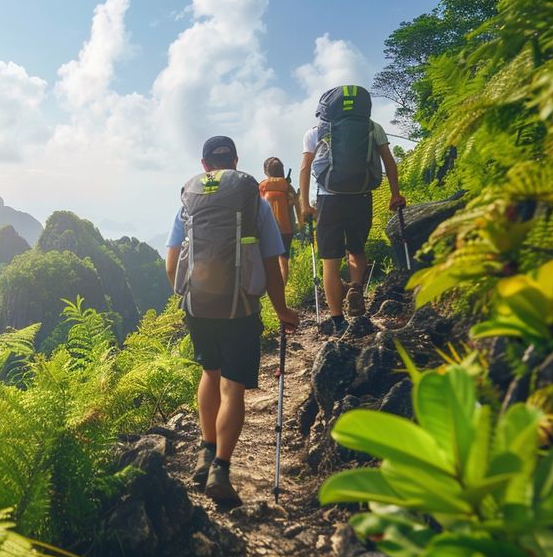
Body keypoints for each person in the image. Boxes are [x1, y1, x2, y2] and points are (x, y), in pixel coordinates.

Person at [165, 135, 300, 504]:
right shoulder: (252, 201)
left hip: (198, 308)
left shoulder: (188, 202)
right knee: (232, 387)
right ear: (236, 162)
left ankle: (204, 453)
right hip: (240, 309)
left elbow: (171, 263)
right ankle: (220, 470)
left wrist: (188, 298)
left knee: (209, 372)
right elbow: (272, 264)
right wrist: (282, 311)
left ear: (205, 165)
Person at [299, 85, 405, 335]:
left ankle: (337, 320)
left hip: (329, 199)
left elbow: (305, 168)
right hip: (361, 196)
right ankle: (356, 286)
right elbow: (389, 161)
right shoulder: (373, 127)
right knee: (357, 250)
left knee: (330, 261)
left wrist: (304, 204)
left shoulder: (315, 132)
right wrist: (395, 193)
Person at [258, 156, 303, 284]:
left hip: (267, 229)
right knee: (284, 262)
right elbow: (297, 207)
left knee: (269, 262)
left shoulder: (262, 187)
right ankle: (282, 290)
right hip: (286, 229)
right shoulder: (287, 187)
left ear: (267, 172)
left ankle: (269, 293)